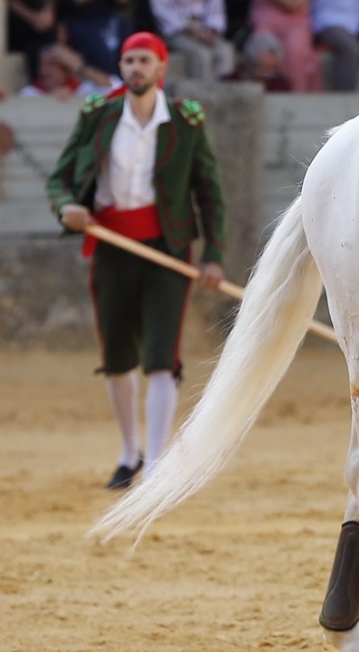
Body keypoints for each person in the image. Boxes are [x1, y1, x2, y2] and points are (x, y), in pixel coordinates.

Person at [46, 31, 226, 487]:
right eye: (128, 61)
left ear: (161, 67)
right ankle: (130, 453)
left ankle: (158, 463)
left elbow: (210, 192)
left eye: (144, 60)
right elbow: (61, 177)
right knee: (118, 356)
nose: (135, 68)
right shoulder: (98, 115)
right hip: (111, 244)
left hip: (169, 249)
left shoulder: (186, 121)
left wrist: (214, 256)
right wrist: (67, 206)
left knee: (162, 357)